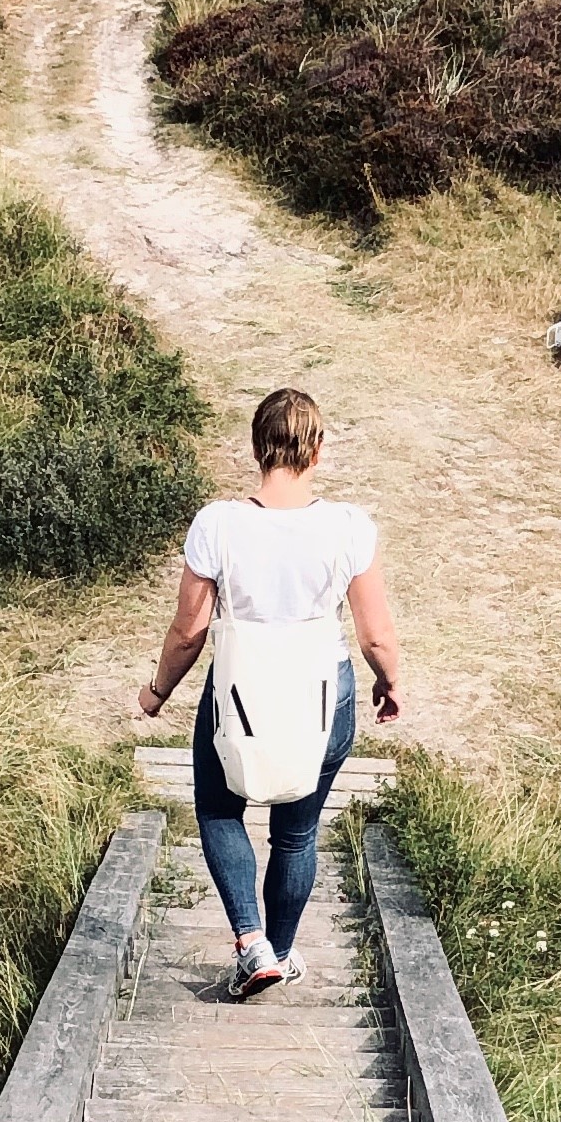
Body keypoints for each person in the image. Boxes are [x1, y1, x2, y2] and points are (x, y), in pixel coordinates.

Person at [136, 386, 404, 997]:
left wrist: (157, 692)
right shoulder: (348, 527)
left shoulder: (219, 524)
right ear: (317, 450)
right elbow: (377, 634)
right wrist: (389, 685)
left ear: (258, 448)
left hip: (238, 689)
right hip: (321, 693)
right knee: (297, 832)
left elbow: (190, 630)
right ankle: (278, 951)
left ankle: (251, 942)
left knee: (218, 808)